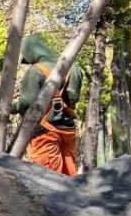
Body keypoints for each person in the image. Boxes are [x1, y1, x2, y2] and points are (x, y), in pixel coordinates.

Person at [13, 33, 82, 176]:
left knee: (48, 180)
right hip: (68, 130)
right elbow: (73, 98)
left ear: (31, 52)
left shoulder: (35, 71)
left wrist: (11, 107)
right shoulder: (74, 68)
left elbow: (26, 104)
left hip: (44, 132)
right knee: (69, 178)